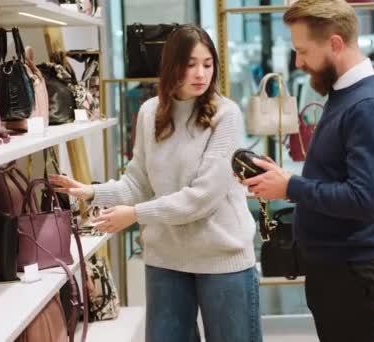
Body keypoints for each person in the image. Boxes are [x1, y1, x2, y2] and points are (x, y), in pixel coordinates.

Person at [50, 24, 261, 342]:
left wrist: (135, 215)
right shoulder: (150, 113)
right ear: (171, 65)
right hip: (166, 258)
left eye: (207, 64)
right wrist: (91, 192)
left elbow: (202, 198)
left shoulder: (225, 115)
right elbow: (138, 182)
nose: (200, 74)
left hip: (223, 256)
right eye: (190, 64)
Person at [242, 1, 374, 341]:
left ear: (335, 43)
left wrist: (291, 186)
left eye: (303, 51)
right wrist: (284, 179)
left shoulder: (369, 106)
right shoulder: (346, 95)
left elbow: (364, 199)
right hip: (340, 272)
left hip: (352, 274)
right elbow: (339, 178)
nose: (298, 62)